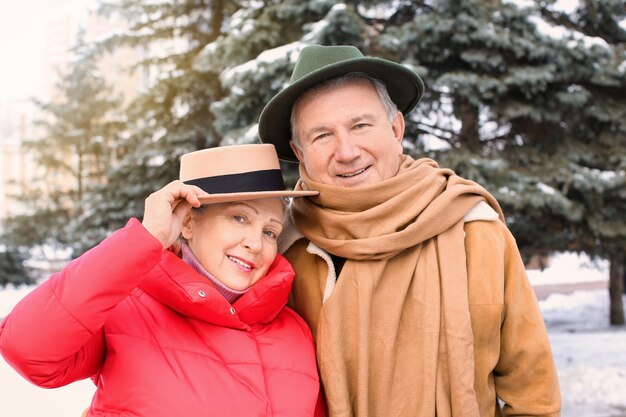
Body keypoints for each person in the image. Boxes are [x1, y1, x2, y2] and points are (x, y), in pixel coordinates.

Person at [257, 45, 561, 416]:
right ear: (299, 152)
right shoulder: (282, 249)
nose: (347, 151)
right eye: (322, 136)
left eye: (360, 125)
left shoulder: (473, 229)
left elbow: (533, 395)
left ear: (396, 128)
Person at [0, 144, 324, 417]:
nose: (256, 243)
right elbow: (28, 348)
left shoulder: (295, 331)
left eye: (269, 231)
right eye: (239, 217)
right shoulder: (127, 311)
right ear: (187, 224)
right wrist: (146, 238)